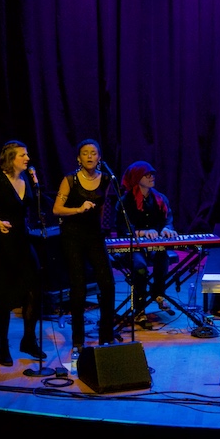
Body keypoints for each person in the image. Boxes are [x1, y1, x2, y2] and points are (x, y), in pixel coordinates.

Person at [0, 140, 46, 366]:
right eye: (22, 155)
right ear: (11, 159)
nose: (27, 158)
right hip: (1, 243)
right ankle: (3, 345)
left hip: (22, 240)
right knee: (3, 296)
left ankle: (28, 339)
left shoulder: (26, 180)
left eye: (27, 154)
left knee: (34, 290)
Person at [52, 139, 117, 356]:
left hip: (95, 236)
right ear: (79, 158)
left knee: (107, 284)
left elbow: (109, 208)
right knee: (78, 288)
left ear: (99, 157)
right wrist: (78, 209)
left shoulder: (107, 179)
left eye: (94, 153)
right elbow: (57, 209)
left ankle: (106, 336)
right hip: (73, 236)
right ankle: (78, 340)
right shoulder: (70, 180)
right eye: (85, 153)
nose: (89, 156)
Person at [113, 161, 177, 330]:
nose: (151, 177)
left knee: (162, 255)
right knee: (140, 266)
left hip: (154, 246)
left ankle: (157, 293)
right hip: (133, 247)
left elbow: (168, 220)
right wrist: (141, 232)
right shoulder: (125, 201)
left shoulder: (159, 198)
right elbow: (121, 229)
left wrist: (166, 229)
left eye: (152, 174)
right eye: (147, 175)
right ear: (136, 178)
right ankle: (139, 309)